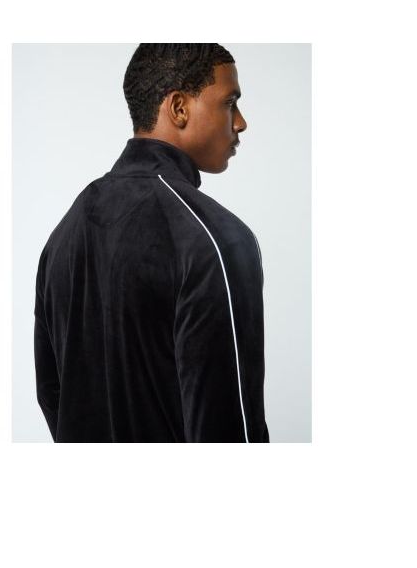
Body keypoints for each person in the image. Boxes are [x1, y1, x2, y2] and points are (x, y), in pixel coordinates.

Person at [34, 43, 270, 442]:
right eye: (230, 103)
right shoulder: (215, 239)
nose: (241, 122)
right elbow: (230, 430)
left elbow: (52, 395)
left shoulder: (65, 234)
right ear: (178, 108)